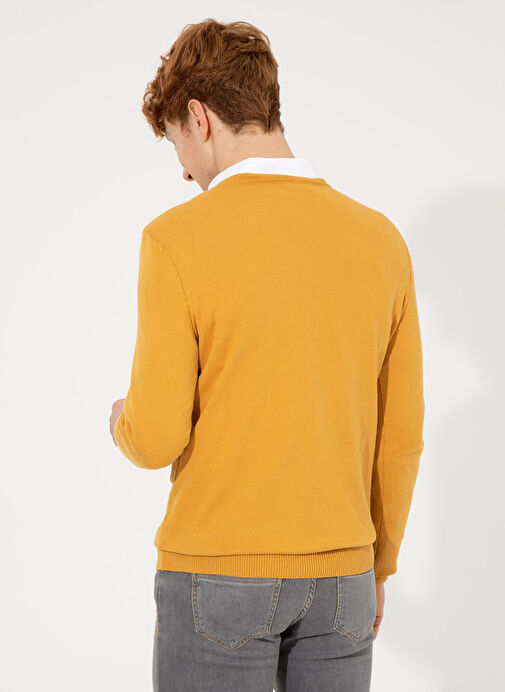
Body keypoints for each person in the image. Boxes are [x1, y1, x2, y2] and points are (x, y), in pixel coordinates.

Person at [109, 18, 425, 692]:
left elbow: (156, 434)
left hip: (217, 574)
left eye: (178, 146)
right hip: (344, 577)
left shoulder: (174, 239)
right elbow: (400, 436)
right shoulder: (380, 241)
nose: (184, 172)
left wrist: (121, 423)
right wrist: (378, 565)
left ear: (199, 119)